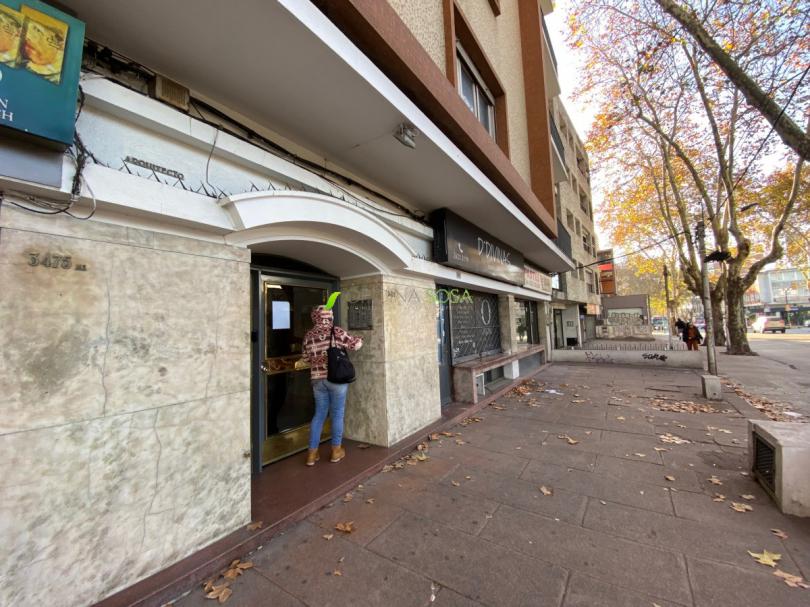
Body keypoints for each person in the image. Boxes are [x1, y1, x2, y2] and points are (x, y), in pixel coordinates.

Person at [300, 305, 363, 466]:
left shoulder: (308, 335)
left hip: (317, 380)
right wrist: (359, 339)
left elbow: (305, 359)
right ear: (329, 316)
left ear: (315, 317)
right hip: (336, 380)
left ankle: (312, 454)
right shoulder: (336, 331)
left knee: (319, 415)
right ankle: (336, 450)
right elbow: (355, 345)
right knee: (337, 414)